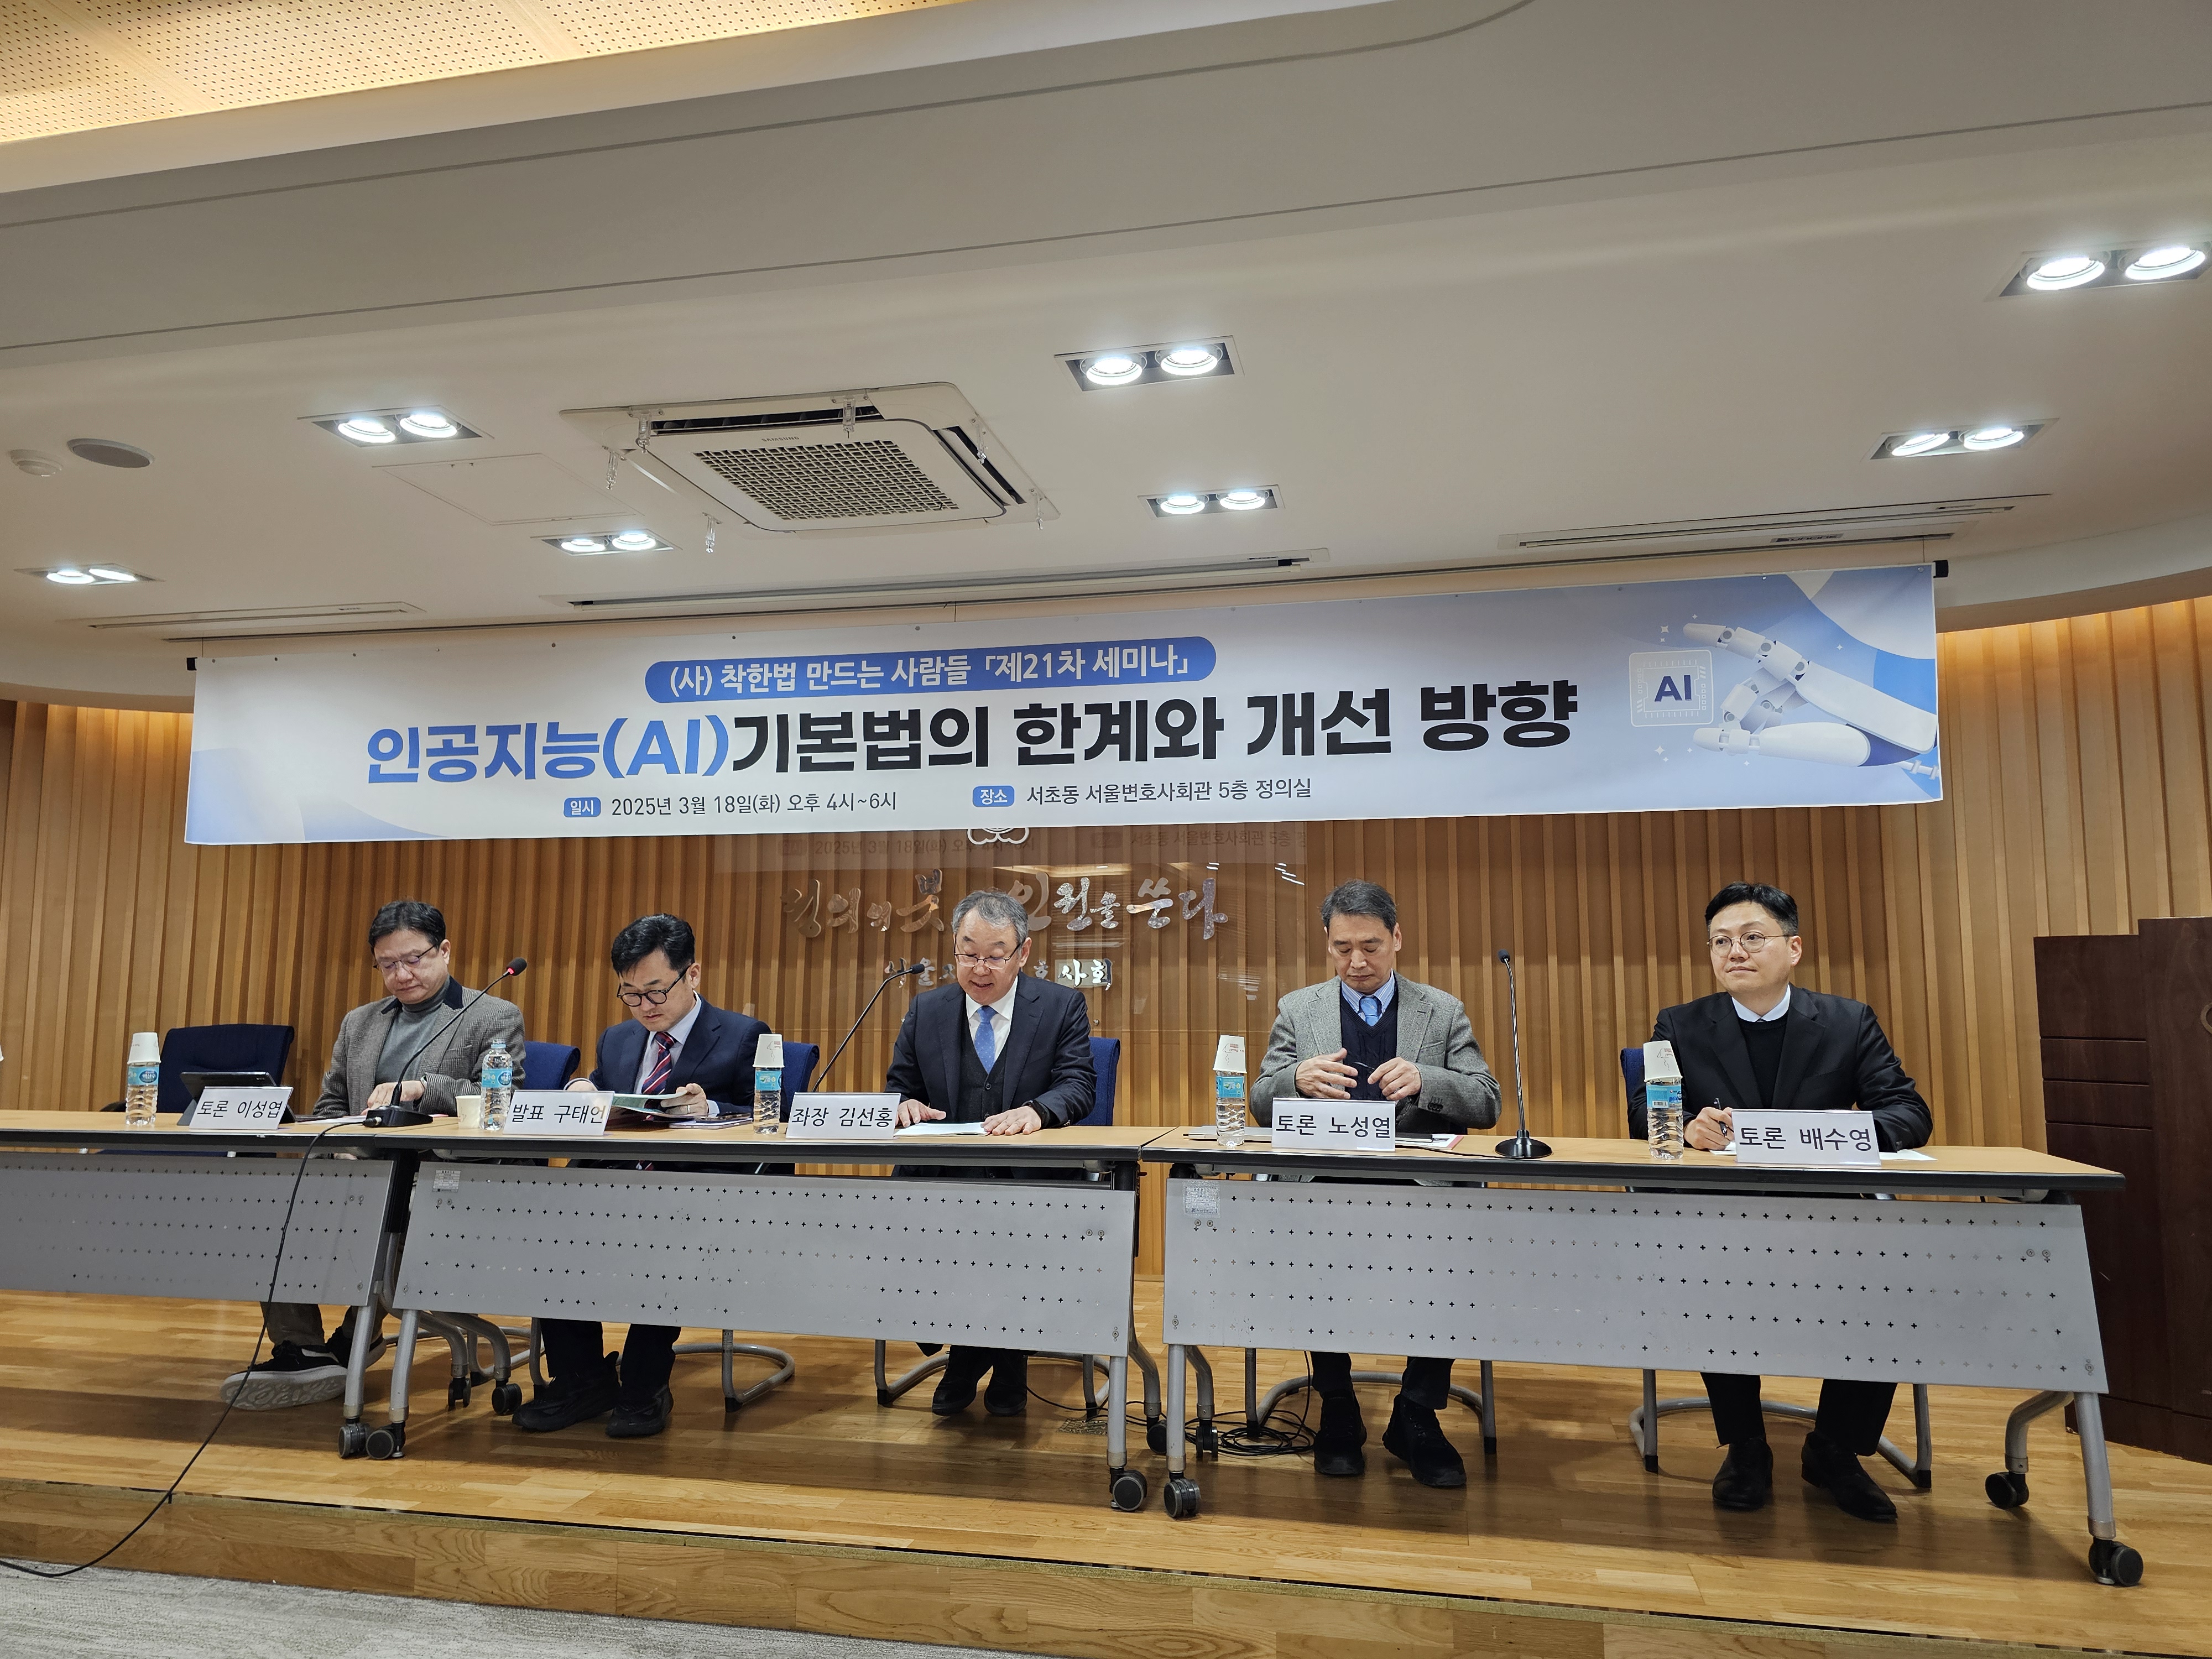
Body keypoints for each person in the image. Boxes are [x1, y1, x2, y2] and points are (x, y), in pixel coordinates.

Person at [1629, 880, 1933, 1523]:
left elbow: (1908, 1112)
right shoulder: (1680, 1024)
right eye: (1720, 942)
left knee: (1889, 1285)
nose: (1734, 952)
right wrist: (1684, 1126)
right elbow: (1644, 1115)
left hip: (1831, 1217)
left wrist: (1837, 1131)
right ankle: (1745, 1446)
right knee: (1711, 1279)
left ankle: (1835, 1449)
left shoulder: (1847, 1021)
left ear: (1792, 949)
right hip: (1724, 1216)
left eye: (1751, 938)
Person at [222, 899, 524, 1409]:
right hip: (357, 1169)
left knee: (391, 1206)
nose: (401, 975)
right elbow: (331, 1106)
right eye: (388, 965)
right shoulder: (359, 1023)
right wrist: (338, 1147)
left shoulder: (492, 1015)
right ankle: (303, 1348)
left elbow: (503, 1097)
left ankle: (356, 1334)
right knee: (273, 1205)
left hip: (440, 1174)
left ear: (445, 951)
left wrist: (422, 1088)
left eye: (414, 959)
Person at [1250, 879, 1501, 1488]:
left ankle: (1416, 1411)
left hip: (1419, 1188)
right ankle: (1337, 1401)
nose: (1356, 962)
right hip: (1323, 1182)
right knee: (1307, 1249)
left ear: (1397, 939)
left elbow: (1487, 1101)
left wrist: (1427, 1080)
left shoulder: (1440, 1010)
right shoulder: (1299, 1009)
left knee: (1456, 1254)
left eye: (1370, 947)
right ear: (1327, 944)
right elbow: (1258, 1101)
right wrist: (1294, 1080)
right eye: (1342, 949)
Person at [515, 913, 770, 1439]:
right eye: (630, 995)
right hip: (611, 1188)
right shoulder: (618, 1039)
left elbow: (770, 1117)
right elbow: (606, 1093)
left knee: (664, 1235)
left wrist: (711, 1109)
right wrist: (583, 1090)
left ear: (692, 974)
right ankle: (582, 1380)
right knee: (548, 1230)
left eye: (656, 991)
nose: (645, 1006)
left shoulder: (743, 1035)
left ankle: (644, 1383)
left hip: (696, 1196)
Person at [885, 889, 1095, 1418]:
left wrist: (1039, 1111)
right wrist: (904, 1105)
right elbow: (899, 1087)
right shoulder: (927, 1009)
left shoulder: (1060, 1006)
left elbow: (1079, 1084)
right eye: (968, 953)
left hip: (1029, 1181)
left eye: (995, 956)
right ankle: (975, 1350)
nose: (980, 969)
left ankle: (994, 1357)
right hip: (944, 1181)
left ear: (1023, 953)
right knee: (930, 1228)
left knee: (1010, 1233)